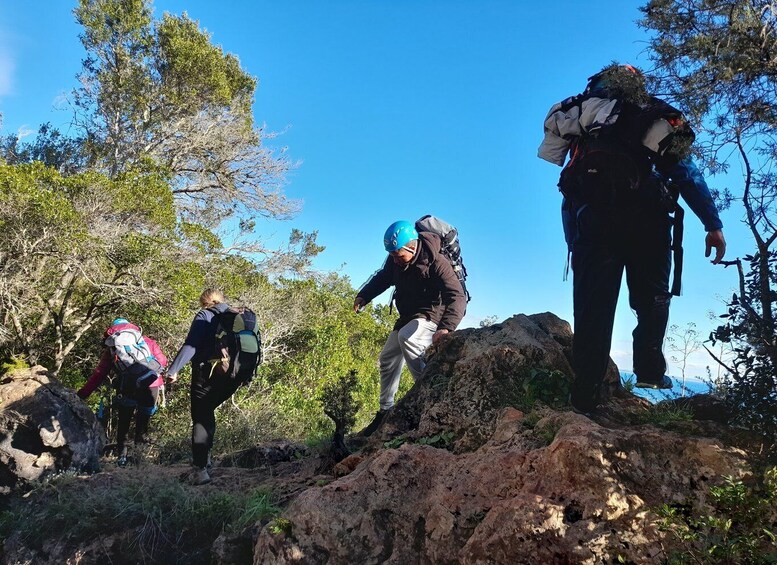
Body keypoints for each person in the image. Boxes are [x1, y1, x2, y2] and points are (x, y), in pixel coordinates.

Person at [537, 63, 726, 415]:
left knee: (592, 309)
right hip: (648, 222)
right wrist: (712, 224)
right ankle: (650, 371)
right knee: (652, 298)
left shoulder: (582, 118)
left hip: (593, 226)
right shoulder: (652, 116)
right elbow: (686, 173)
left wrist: (574, 241)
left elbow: (569, 187)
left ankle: (585, 396)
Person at [354, 220, 467, 436]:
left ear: (412, 246)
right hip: (408, 314)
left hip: (434, 312)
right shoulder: (395, 260)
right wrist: (364, 296)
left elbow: (457, 296)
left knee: (410, 338)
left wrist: (446, 328)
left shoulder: (436, 261)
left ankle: (429, 396)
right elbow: (383, 278)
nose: (395, 259)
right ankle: (385, 411)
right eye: (392, 255)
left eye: (398, 254)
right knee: (387, 357)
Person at [166, 289, 240, 485]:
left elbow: (191, 346)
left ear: (204, 301)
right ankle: (206, 460)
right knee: (207, 413)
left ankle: (200, 470)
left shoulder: (204, 315)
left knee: (201, 416)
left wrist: (173, 369)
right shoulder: (235, 314)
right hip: (234, 375)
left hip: (207, 373)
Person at [78, 318, 167, 467]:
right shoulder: (146, 341)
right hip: (151, 385)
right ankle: (139, 458)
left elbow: (99, 374)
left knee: (124, 422)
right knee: (142, 423)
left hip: (128, 387)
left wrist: (82, 394)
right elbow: (162, 361)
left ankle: (122, 458)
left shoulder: (112, 348)